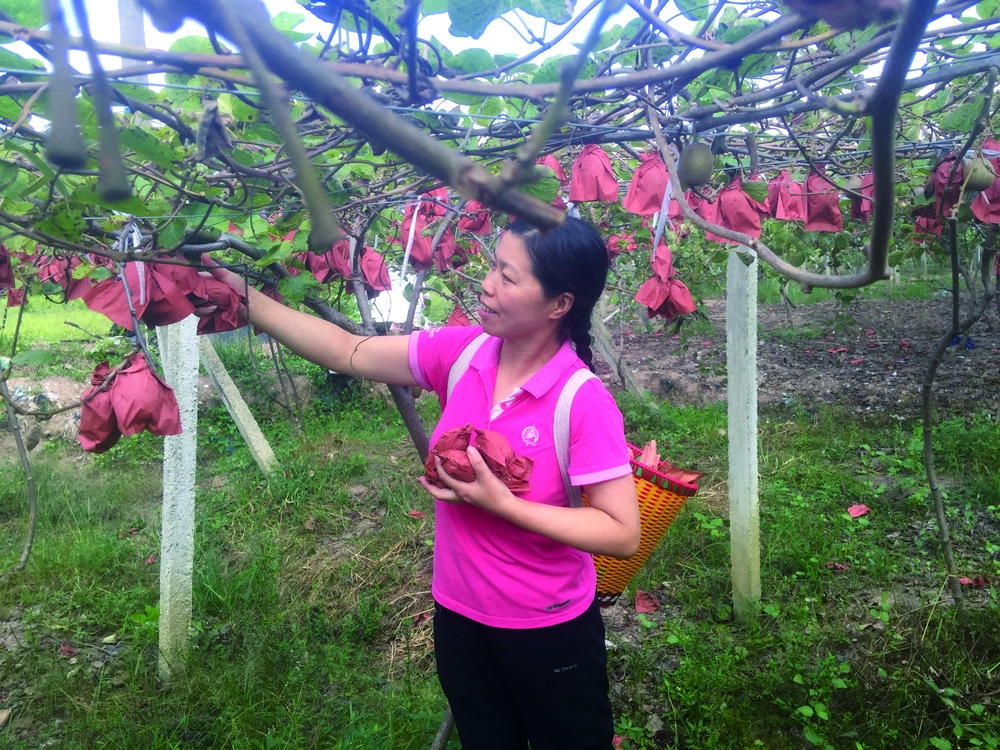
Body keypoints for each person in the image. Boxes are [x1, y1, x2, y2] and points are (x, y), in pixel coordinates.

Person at [197, 215, 644, 750]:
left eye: (508, 275)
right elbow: (349, 351)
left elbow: (621, 532)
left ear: (559, 304)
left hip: (547, 631)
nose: (487, 283)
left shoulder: (581, 399)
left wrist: (504, 504)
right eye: (491, 266)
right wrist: (245, 299)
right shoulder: (463, 354)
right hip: (459, 617)